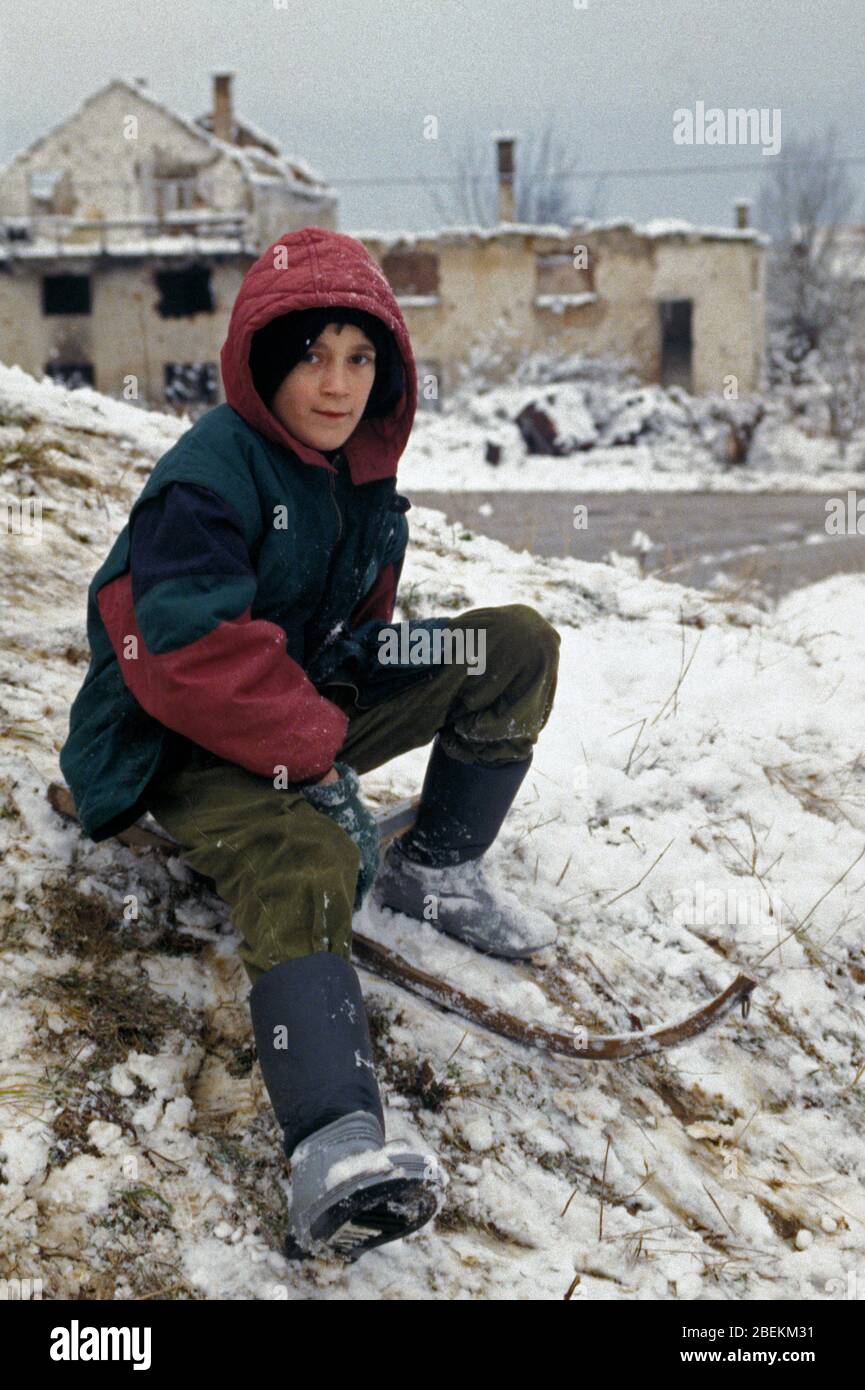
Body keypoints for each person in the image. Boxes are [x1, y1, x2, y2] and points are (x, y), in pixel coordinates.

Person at [59, 226, 561, 1263]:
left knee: (506, 643)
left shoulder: (361, 478)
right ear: (265, 360)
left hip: (303, 698)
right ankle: (331, 1147)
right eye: (313, 357)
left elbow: (356, 628)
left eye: (360, 358)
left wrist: (355, 698)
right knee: (310, 850)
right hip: (178, 738)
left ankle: (438, 870)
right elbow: (185, 652)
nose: (337, 385)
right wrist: (315, 753)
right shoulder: (209, 474)